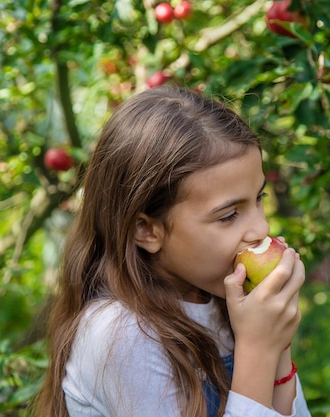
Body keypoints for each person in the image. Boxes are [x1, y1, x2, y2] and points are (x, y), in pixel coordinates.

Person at [32, 86, 311, 417]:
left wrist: (277, 346)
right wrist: (258, 348)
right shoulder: (122, 336)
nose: (261, 229)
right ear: (146, 230)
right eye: (228, 215)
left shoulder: (224, 305)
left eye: (259, 199)